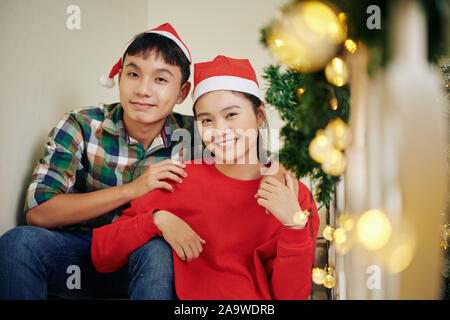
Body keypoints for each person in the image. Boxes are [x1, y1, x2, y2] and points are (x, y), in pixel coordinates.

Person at [91, 55, 320, 299]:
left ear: (259, 114)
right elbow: (102, 254)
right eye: (207, 120)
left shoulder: (291, 194)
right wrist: (156, 221)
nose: (219, 130)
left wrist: (294, 227)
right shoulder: (179, 178)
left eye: (231, 115)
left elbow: (290, 296)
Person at [0, 23, 195, 300]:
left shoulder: (197, 136)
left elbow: (252, 157)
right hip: (80, 251)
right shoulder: (82, 123)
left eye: (160, 80)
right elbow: (38, 212)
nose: (143, 89)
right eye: (133, 74)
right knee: (17, 243)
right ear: (119, 78)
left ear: (182, 93)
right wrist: (133, 189)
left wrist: (276, 168)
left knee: (157, 251)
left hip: (149, 260)